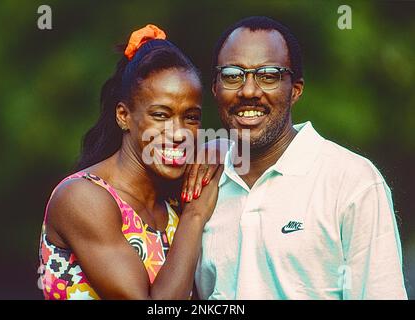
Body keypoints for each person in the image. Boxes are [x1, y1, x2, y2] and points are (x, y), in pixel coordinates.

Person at [192, 16, 408, 299]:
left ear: (295, 90)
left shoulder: (352, 181)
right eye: (233, 75)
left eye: (268, 75)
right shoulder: (201, 181)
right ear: (215, 89)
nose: (248, 91)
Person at [38, 24, 221, 300]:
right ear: (124, 115)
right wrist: (195, 216)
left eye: (191, 118)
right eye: (160, 115)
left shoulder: (172, 203)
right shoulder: (82, 198)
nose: (179, 133)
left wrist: (216, 148)